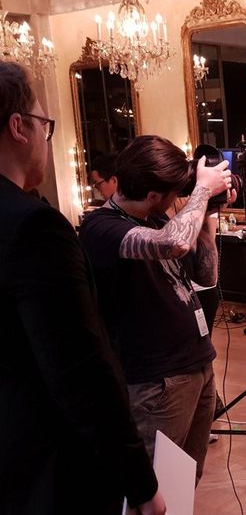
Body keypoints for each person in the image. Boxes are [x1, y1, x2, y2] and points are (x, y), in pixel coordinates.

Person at [0, 61, 165, 515]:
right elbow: (80, 369)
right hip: (44, 464)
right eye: (45, 125)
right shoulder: (34, 228)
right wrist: (141, 481)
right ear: (19, 128)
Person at [79, 135, 233, 483]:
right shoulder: (101, 228)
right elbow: (175, 244)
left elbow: (206, 275)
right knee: (155, 487)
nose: (174, 200)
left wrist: (207, 212)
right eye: (171, 194)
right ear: (151, 195)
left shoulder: (157, 219)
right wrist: (201, 192)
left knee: (183, 481)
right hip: (157, 382)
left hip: (197, 367)